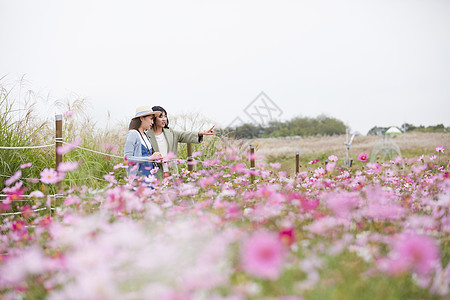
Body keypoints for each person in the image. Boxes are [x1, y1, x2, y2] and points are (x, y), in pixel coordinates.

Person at [146, 106, 215, 179]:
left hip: (171, 172)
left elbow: (185, 135)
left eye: (165, 116)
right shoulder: (146, 135)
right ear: (153, 118)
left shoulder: (171, 133)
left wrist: (200, 133)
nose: (164, 119)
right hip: (155, 174)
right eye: (160, 117)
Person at [124, 106, 163, 178]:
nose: (152, 122)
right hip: (138, 178)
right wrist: (149, 158)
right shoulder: (133, 134)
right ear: (142, 118)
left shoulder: (146, 136)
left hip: (150, 177)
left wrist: (156, 158)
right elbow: (127, 158)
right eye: (151, 119)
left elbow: (149, 156)